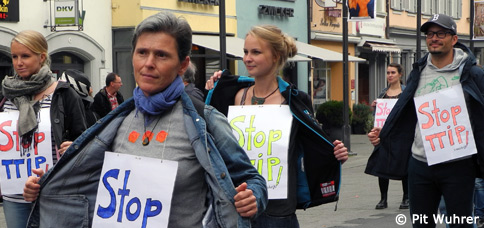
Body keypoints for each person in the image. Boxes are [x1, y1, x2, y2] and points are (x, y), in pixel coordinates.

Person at [23, 12, 267, 228]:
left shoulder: (206, 120)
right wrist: (46, 184)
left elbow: (253, 180)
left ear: (182, 64)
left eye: (161, 55)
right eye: (142, 52)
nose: (148, 63)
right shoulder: (116, 120)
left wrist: (252, 197)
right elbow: (89, 187)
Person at [205, 25, 349, 227]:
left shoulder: (295, 101)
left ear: (276, 56)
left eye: (256, 52)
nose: (247, 58)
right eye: (245, 52)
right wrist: (213, 89)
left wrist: (335, 154)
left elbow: (314, 144)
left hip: (278, 212)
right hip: (234, 204)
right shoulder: (231, 95)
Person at [0, 30, 87, 228]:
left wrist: (74, 146)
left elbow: (84, 139)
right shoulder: (5, 94)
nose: (19, 62)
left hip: (51, 189)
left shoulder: (64, 94)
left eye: (25, 56)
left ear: (41, 57)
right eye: (15, 56)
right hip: (14, 193)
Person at [366, 14, 484, 228]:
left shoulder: (472, 73)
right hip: (421, 163)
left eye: (441, 33)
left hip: (458, 164)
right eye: (430, 34)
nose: (434, 38)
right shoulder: (418, 73)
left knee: (460, 224)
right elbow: (406, 113)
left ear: (454, 39)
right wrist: (383, 134)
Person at [368, 63, 409, 210]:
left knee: (404, 166)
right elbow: (377, 117)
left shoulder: (406, 92)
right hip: (384, 135)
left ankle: (406, 197)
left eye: (393, 72)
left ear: (400, 75)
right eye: (388, 73)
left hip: (401, 135)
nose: (390, 75)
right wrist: (375, 107)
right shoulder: (382, 94)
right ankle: (383, 198)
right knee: (382, 165)